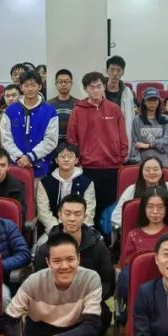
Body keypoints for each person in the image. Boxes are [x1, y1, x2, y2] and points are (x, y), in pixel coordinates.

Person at [32, 194, 115, 334]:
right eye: (67, 213)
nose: (72, 219)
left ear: (85, 216)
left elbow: (108, 282)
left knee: (103, 315)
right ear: (59, 215)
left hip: (89, 303)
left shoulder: (98, 246)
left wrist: (88, 299)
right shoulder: (46, 249)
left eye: (77, 214)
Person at [67, 70, 129, 223]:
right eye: (92, 87)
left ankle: (107, 237)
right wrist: (78, 162)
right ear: (85, 89)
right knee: (89, 207)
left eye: (99, 86)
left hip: (112, 167)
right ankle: (90, 234)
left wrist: (121, 158)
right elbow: (72, 139)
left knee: (109, 208)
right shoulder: (77, 110)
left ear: (104, 87)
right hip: (88, 168)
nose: (96, 90)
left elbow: (123, 136)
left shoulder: (114, 108)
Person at [0, 69, 60, 178]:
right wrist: (20, 158)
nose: (30, 89)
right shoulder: (10, 111)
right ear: (21, 87)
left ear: (40, 86)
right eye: (26, 85)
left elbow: (51, 140)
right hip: (16, 166)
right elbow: (6, 139)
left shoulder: (50, 111)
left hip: (41, 167)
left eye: (33, 85)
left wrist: (30, 157)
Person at [112, 156, 168, 231]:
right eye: (147, 170)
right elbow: (117, 217)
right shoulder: (131, 190)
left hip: (167, 232)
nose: (152, 172)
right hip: (138, 232)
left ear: (162, 171)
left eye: (155, 169)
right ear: (141, 172)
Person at [35, 141, 96, 232]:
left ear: (76, 160)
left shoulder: (87, 182)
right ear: (56, 160)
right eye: (62, 156)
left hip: (80, 229)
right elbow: (43, 212)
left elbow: (89, 211)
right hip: (54, 229)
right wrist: (57, 229)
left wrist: (76, 229)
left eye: (70, 156)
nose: (66, 159)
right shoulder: (45, 183)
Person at [129, 88, 168, 167]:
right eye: (149, 100)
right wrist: (137, 163)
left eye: (155, 100)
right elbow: (135, 144)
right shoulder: (137, 120)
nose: (152, 103)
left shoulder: (165, 118)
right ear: (144, 102)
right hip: (142, 163)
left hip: (162, 163)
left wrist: (149, 145)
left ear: (158, 102)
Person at [0, 148, 28, 219]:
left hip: (9, 223)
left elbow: (21, 215)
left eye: (2, 165)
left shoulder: (17, 187)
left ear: (8, 167)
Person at [104, 54, 137, 123]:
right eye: (112, 70)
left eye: (118, 70)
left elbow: (131, 115)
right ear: (107, 71)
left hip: (120, 126)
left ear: (123, 73)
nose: (115, 73)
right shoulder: (100, 91)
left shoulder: (127, 92)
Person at [47, 68, 78, 140]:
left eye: (66, 81)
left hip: (73, 145)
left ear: (71, 83)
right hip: (53, 144)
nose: (63, 84)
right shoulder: (48, 105)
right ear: (56, 84)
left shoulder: (78, 104)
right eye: (60, 82)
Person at [0, 85, 19, 150]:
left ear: (20, 96)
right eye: (7, 96)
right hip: (5, 153)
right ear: (4, 98)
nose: (10, 99)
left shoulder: (28, 115)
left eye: (14, 95)